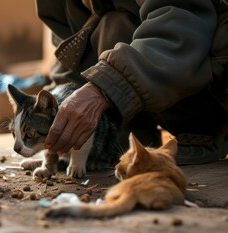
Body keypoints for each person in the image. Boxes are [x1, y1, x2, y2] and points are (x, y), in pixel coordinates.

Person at [37, 0, 228, 165]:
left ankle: (201, 131)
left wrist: (102, 89)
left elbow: (179, 26)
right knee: (106, 24)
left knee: (114, 26)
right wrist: (58, 104)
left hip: (212, 78)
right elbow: (74, 48)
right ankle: (129, 136)